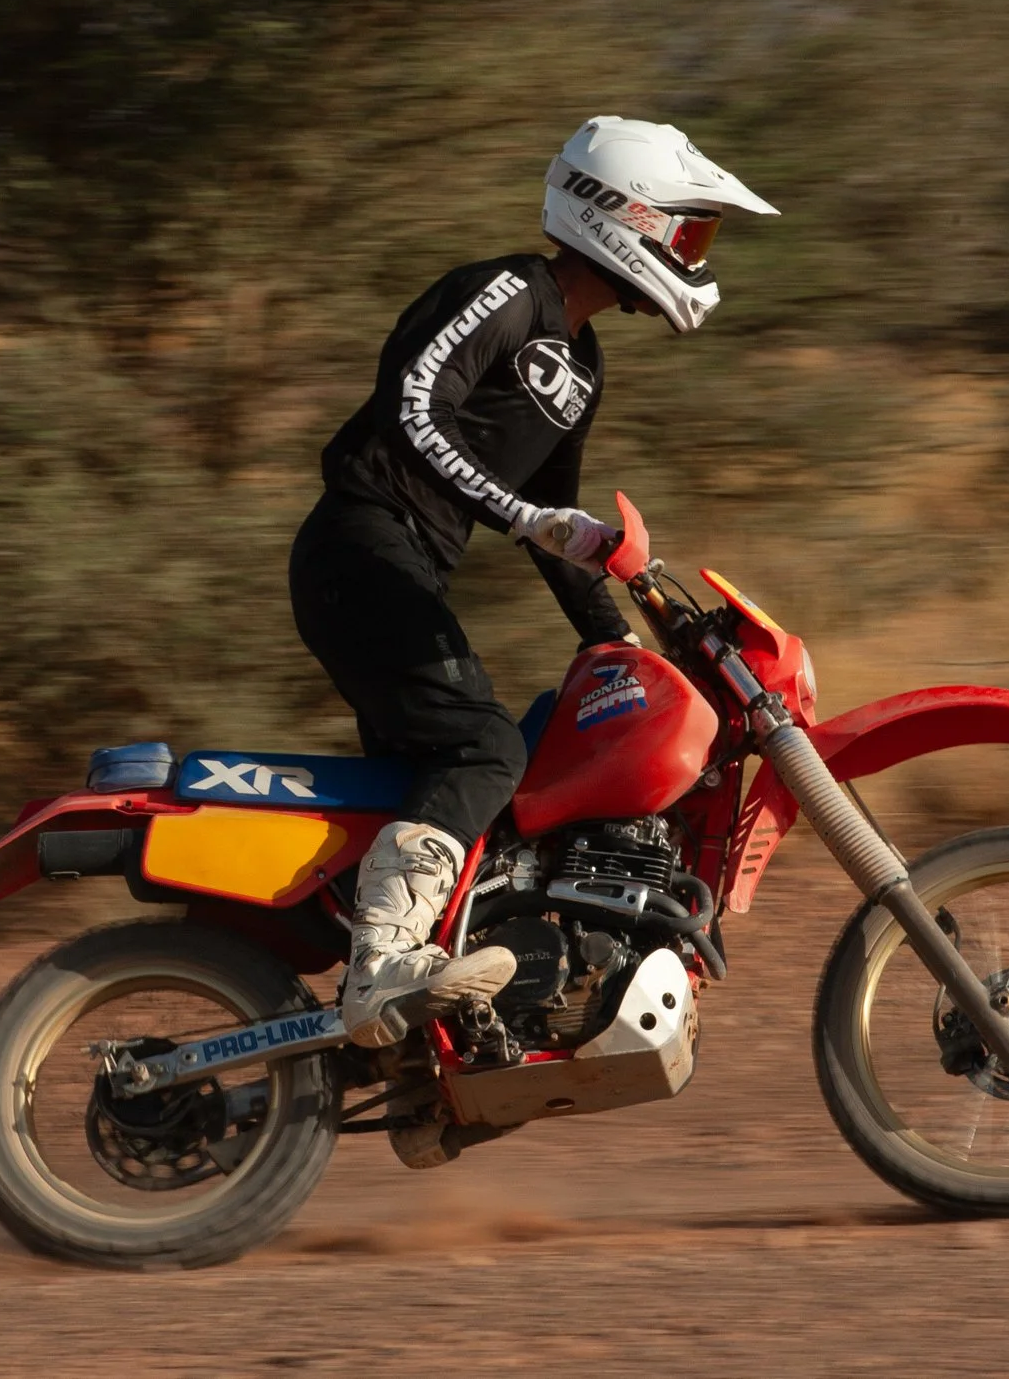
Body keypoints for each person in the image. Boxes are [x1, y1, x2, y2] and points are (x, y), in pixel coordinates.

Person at [291, 115, 777, 1054]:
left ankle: (430, 1063)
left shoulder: (581, 368)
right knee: (482, 748)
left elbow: (557, 529)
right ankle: (381, 972)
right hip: (358, 547)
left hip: (406, 568)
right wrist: (521, 515)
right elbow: (413, 409)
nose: (692, 253)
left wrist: (626, 644)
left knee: (469, 795)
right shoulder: (507, 292)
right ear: (624, 216)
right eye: (688, 230)